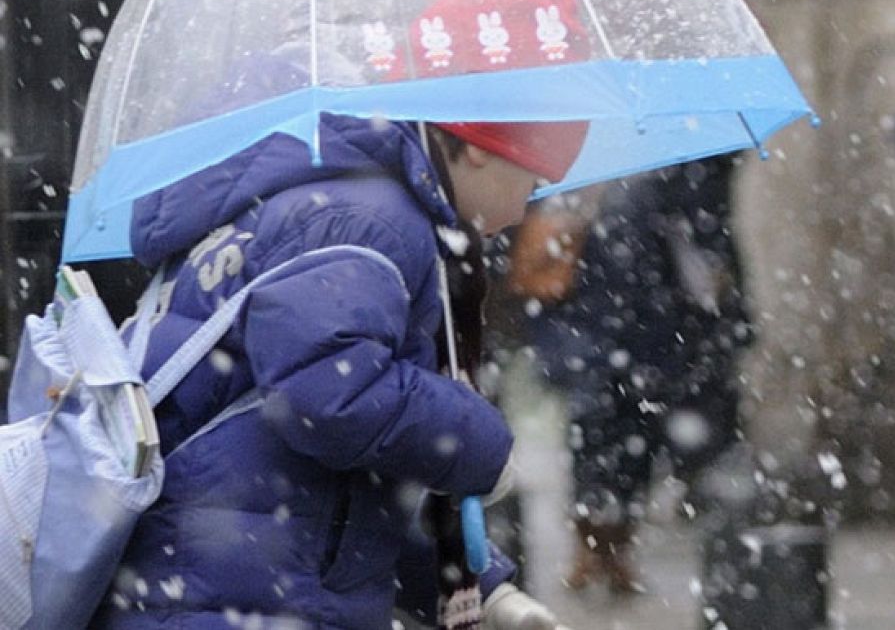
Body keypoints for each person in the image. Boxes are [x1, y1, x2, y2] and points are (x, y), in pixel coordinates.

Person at [92, 113, 571, 630]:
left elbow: (347, 492)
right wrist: (477, 443)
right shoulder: (369, 219)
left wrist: (480, 586)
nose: (525, 208)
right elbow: (331, 399)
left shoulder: (330, 204)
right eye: (534, 181)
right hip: (236, 596)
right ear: (478, 148)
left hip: (221, 582)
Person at [528, 154, 752, 596]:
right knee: (596, 433)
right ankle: (593, 546)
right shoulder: (586, 165)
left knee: (632, 438)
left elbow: (706, 249)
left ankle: (613, 547)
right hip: (601, 325)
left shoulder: (682, 172)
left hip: (645, 329)